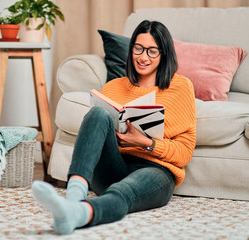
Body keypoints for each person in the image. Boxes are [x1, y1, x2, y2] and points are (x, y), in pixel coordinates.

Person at [31, 20, 197, 235]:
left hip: (155, 171)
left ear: (164, 54)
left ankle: (76, 213)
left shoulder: (180, 87)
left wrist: (146, 143)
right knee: (97, 113)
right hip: (113, 167)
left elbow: (184, 153)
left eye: (152, 51)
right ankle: (74, 195)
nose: (143, 57)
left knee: (122, 192)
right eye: (138, 48)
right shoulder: (113, 87)